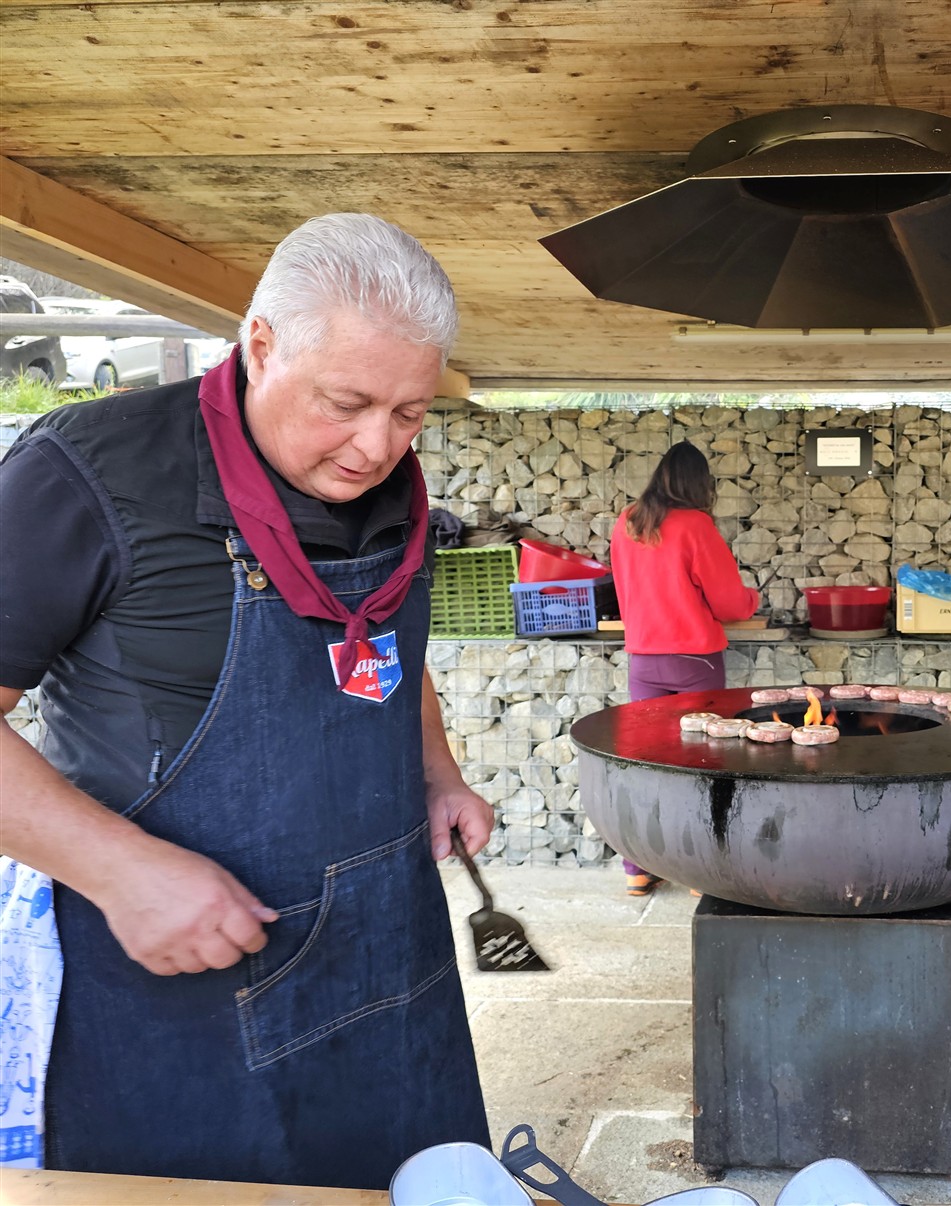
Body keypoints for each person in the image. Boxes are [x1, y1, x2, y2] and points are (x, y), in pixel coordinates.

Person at [0, 214, 494, 1187]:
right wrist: (120, 871)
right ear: (261, 345)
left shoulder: (390, 485)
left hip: (387, 963)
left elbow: (381, 642)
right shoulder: (88, 473)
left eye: (409, 412)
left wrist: (436, 771)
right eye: (346, 403)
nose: (375, 447)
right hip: (180, 993)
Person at [608, 441, 760, 895]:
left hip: (643, 659)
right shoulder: (696, 525)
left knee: (648, 762)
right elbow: (730, 603)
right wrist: (752, 599)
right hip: (694, 662)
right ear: (700, 485)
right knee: (702, 762)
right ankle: (698, 873)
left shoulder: (628, 521)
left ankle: (638, 868)